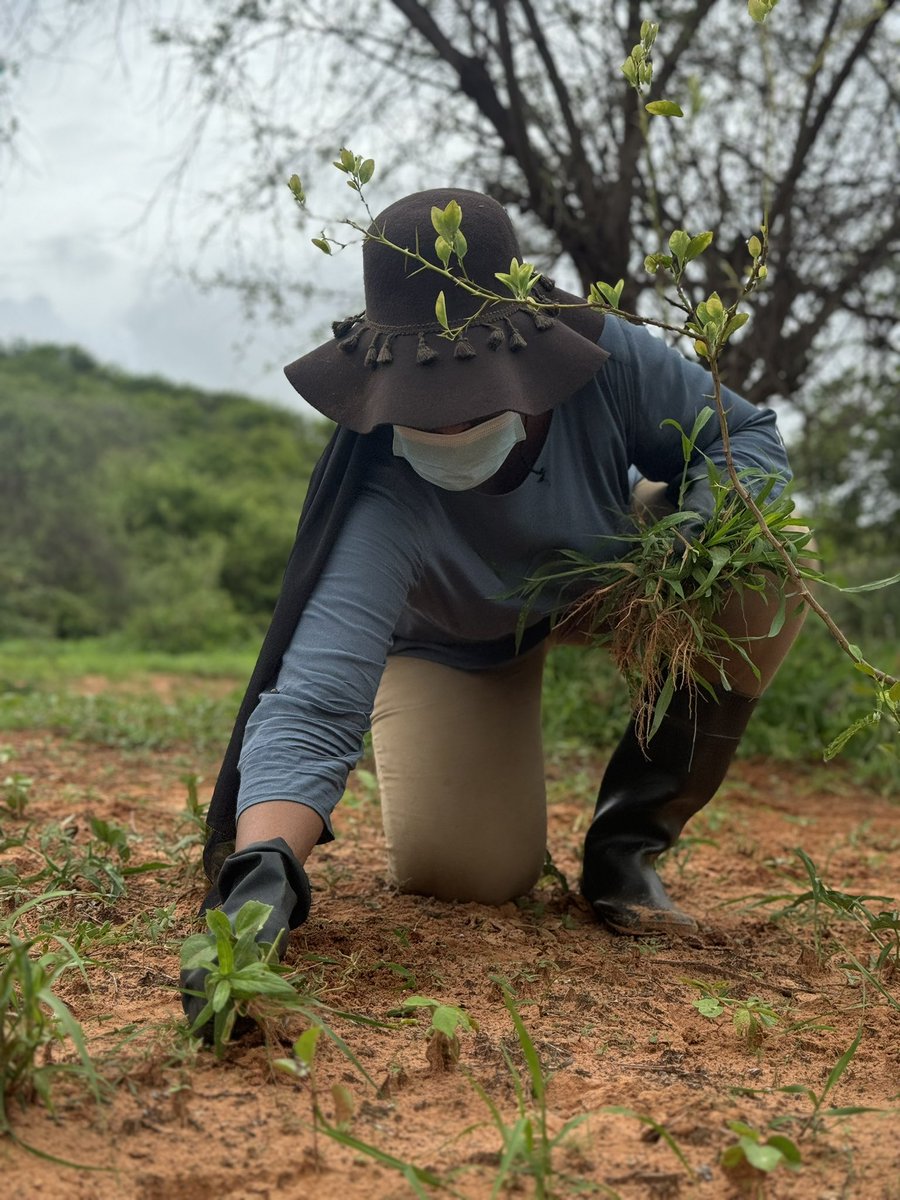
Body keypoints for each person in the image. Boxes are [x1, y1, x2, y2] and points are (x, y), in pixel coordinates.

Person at [181, 188, 807, 1027]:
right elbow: (315, 702)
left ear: (531, 362)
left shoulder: (607, 359)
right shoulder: (380, 495)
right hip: (460, 642)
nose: (448, 428)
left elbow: (745, 437)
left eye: (471, 399)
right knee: (472, 874)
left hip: (611, 575)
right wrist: (264, 870)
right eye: (423, 408)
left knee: (763, 559)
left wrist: (691, 542)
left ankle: (629, 844)